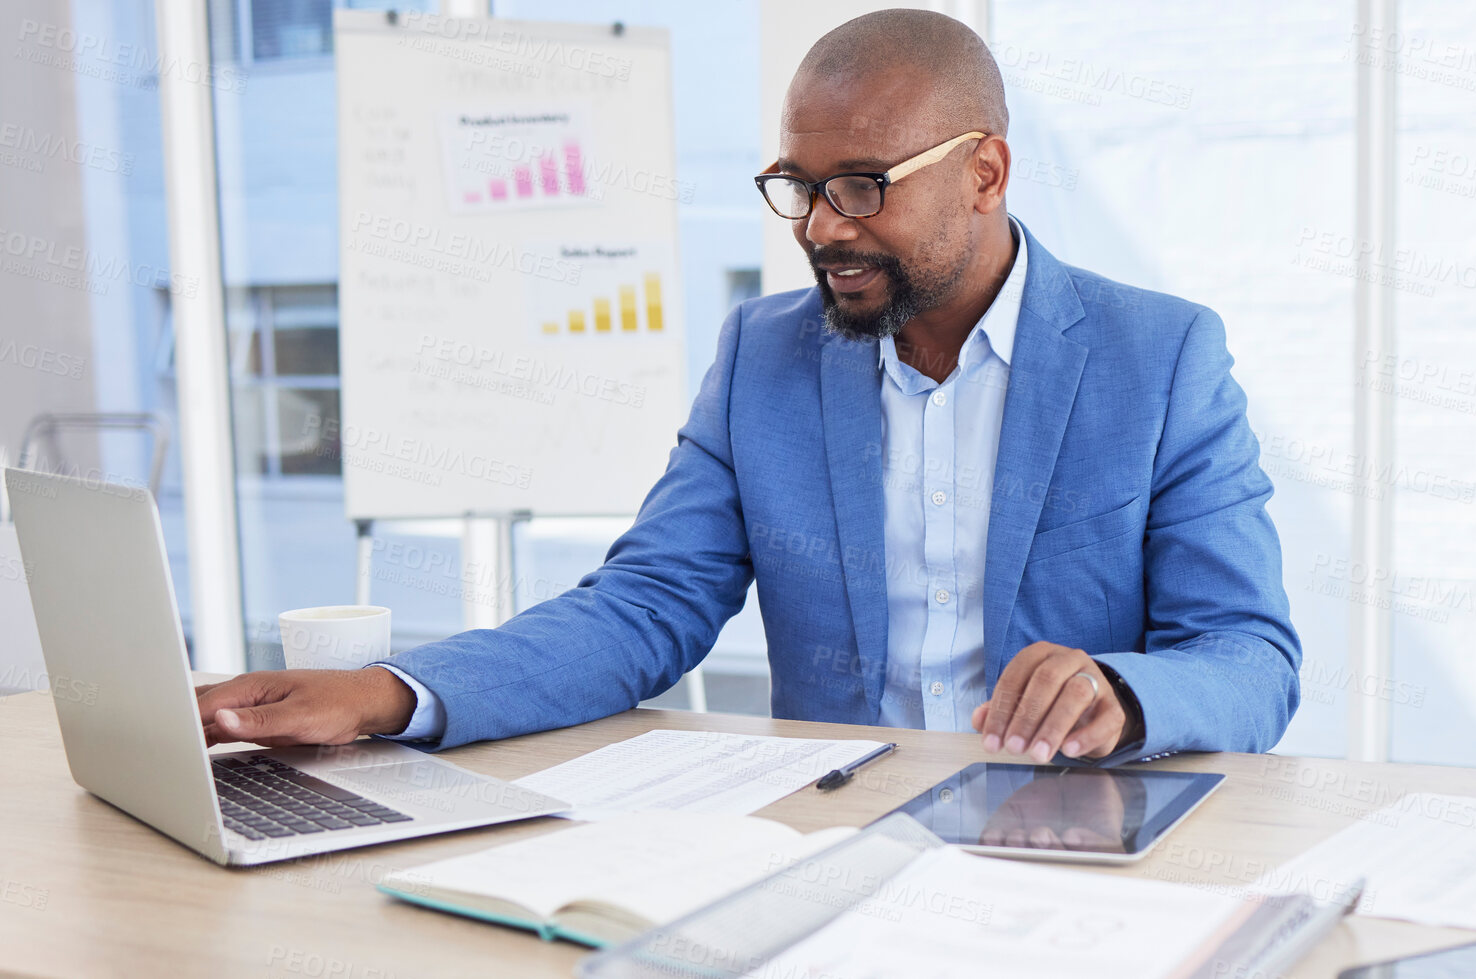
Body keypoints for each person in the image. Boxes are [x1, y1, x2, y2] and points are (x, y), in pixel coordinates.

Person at [194, 9, 1299, 766]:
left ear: (984, 173)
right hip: (836, 848)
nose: (823, 229)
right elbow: (643, 609)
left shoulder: (1159, 359)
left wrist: (1125, 691)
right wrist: (394, 692)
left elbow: (1249, 659)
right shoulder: (764, 357)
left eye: (863, 188)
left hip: (1077, 843)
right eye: (801, 187)